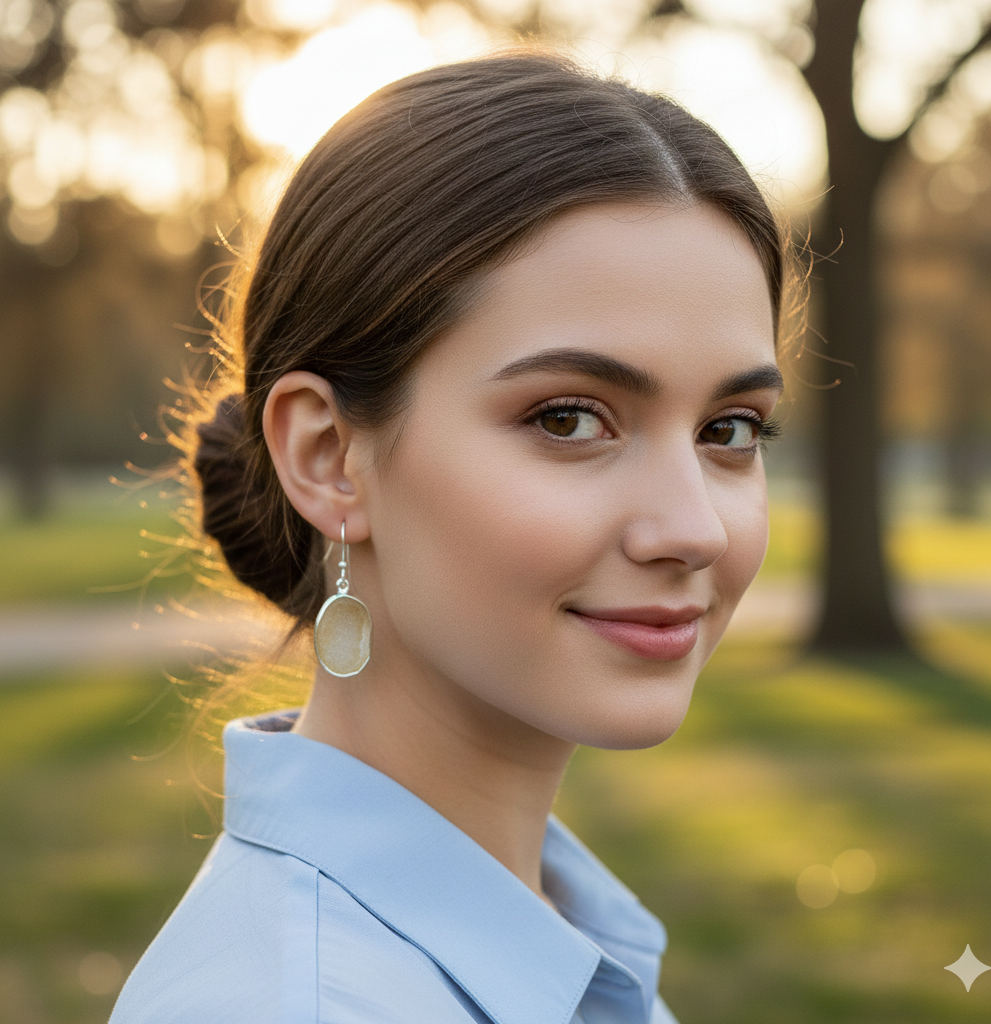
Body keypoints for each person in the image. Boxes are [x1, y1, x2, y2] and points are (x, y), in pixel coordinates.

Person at [110, 48, 791, 1024]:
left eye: (728, 431)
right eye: (568, 418)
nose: (691, 528)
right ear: (327, 455)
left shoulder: (557, 937)